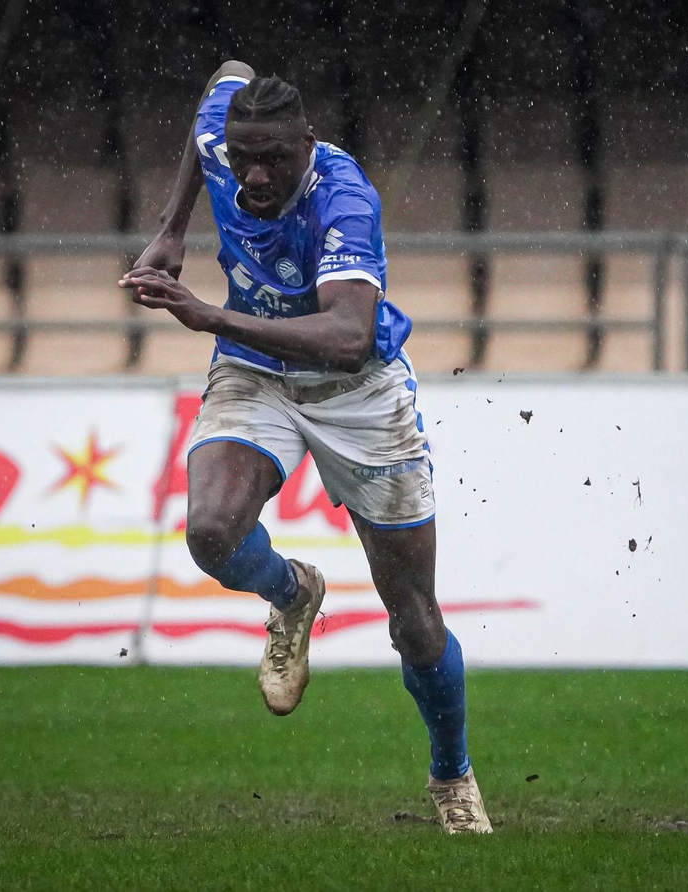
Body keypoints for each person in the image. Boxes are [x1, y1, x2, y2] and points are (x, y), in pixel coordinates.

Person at [119, 62, 491, 834]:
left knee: (413, 619)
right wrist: (171, 227)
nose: (254, 174)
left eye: (274, 159)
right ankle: (292, 594)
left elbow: (350, 338)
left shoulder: (343, 201)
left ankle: (451, 773)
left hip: (358, 395)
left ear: (306, 144)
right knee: (211, 533)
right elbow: (222, 79)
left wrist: (209, 315)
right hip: (256, 373)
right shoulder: (227, 140)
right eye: (242, 155)